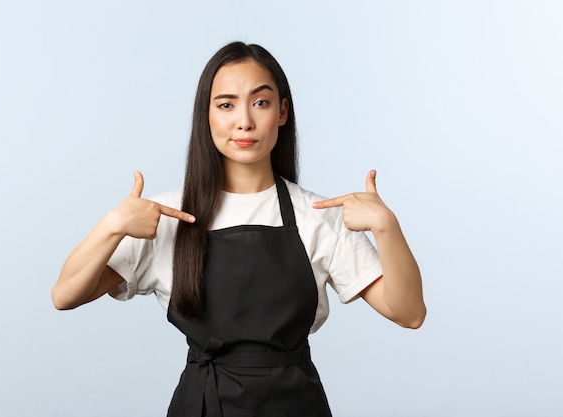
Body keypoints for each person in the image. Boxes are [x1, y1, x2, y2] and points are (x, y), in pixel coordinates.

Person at [52, 41, 426, 417]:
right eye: (226, 105)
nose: (244, 121)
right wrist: (112, 226)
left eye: (260, 103)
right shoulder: (167, 216)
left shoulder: (317, 216)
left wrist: (386, 227)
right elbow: (65, 295)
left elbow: (409, 313)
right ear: (207, 115)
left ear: (282, 111)